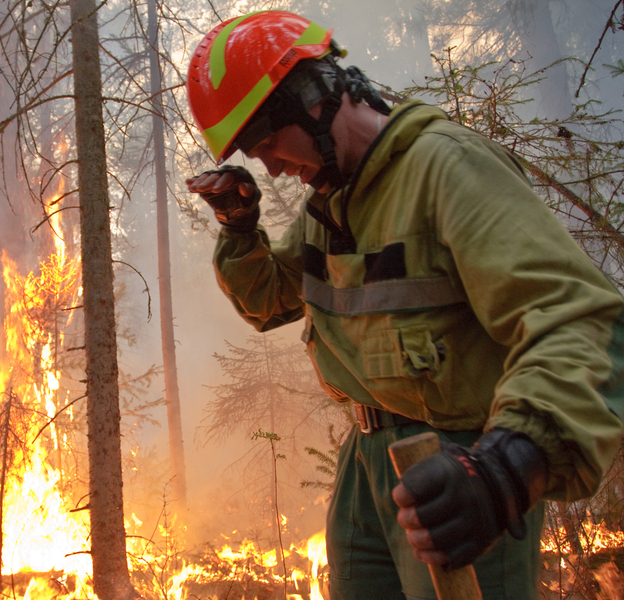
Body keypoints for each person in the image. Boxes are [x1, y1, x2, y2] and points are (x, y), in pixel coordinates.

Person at [185, 9, 624, 600]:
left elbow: (581, 319)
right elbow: (270, 301)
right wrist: (239, 227)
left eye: (266, 142)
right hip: (366, 467)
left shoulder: (446, 167)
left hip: (459, 466)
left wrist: (507, 468)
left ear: (312, 98)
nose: (270, 166)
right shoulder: (333, 200)